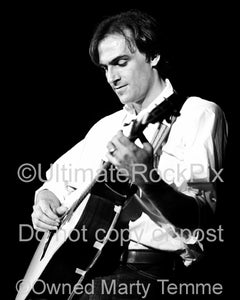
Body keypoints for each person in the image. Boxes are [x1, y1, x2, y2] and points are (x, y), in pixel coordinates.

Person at [30, 9, 228, 299]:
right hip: (90, 267)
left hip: (152, 274)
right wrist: (44, 199)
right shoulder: (105, 127)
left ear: (154, 55)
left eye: (120, 63)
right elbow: (55, 180)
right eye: (105, 68)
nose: (112, 77)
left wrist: (146, 177)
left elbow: (200, 221)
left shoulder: (197, 114)